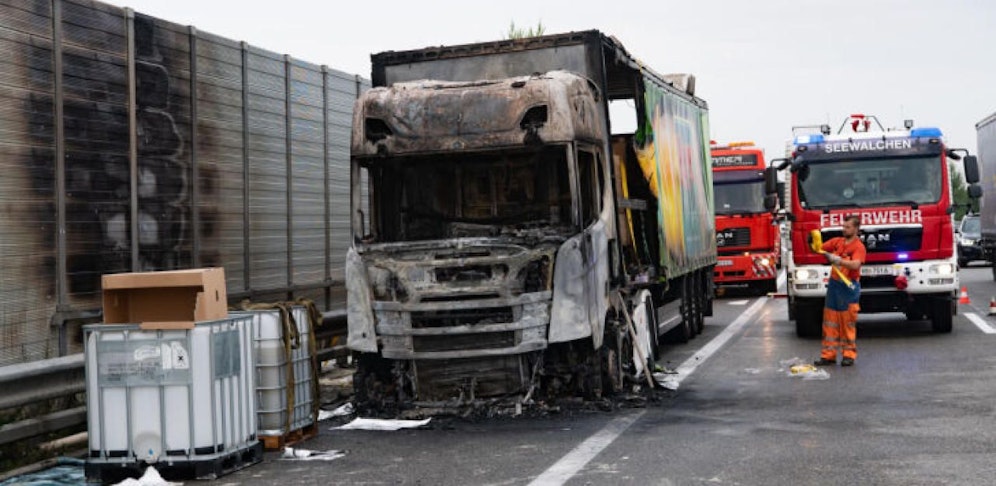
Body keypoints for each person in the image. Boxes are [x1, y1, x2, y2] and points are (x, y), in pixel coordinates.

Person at [814, 215, 866, 367]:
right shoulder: (837, 242)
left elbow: (856, 265)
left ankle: (848, 355)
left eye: (848, 227)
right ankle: (828, 355)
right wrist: (813, 240)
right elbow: (819, 248)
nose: (844, 229)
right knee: (830, 323)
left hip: (848, 288)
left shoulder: (858, 247)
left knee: (847, 323)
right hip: (834, 286)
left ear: (856, 229)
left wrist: (839, 260)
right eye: (843, 226)